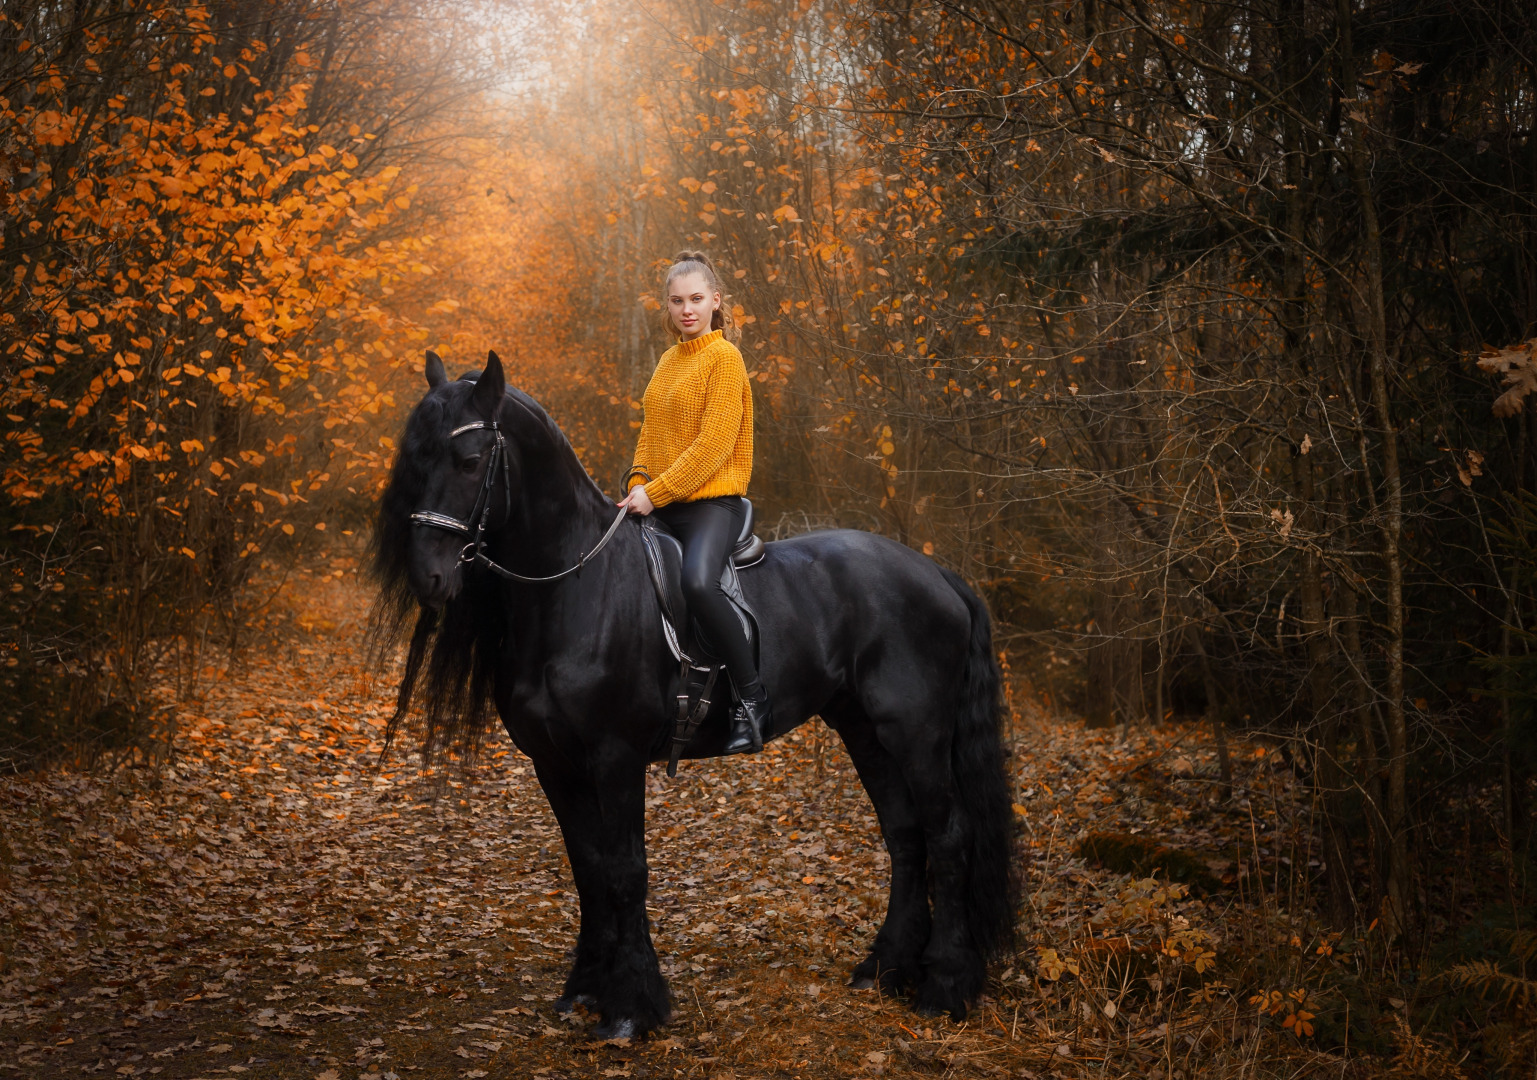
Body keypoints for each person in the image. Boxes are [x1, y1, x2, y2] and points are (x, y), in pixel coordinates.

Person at [617, 251, 772, 754]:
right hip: (659, 501)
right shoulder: (667, 362)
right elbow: (651, 437)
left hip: (712, 504)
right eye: (678, 300)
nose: (687, 309)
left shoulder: (725, 358)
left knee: (698, 584)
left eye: (697, 299)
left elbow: (712, 448)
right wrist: (638, 481)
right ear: (668, 305)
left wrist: (654, 493)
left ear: (715, 302)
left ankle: (752, 701)